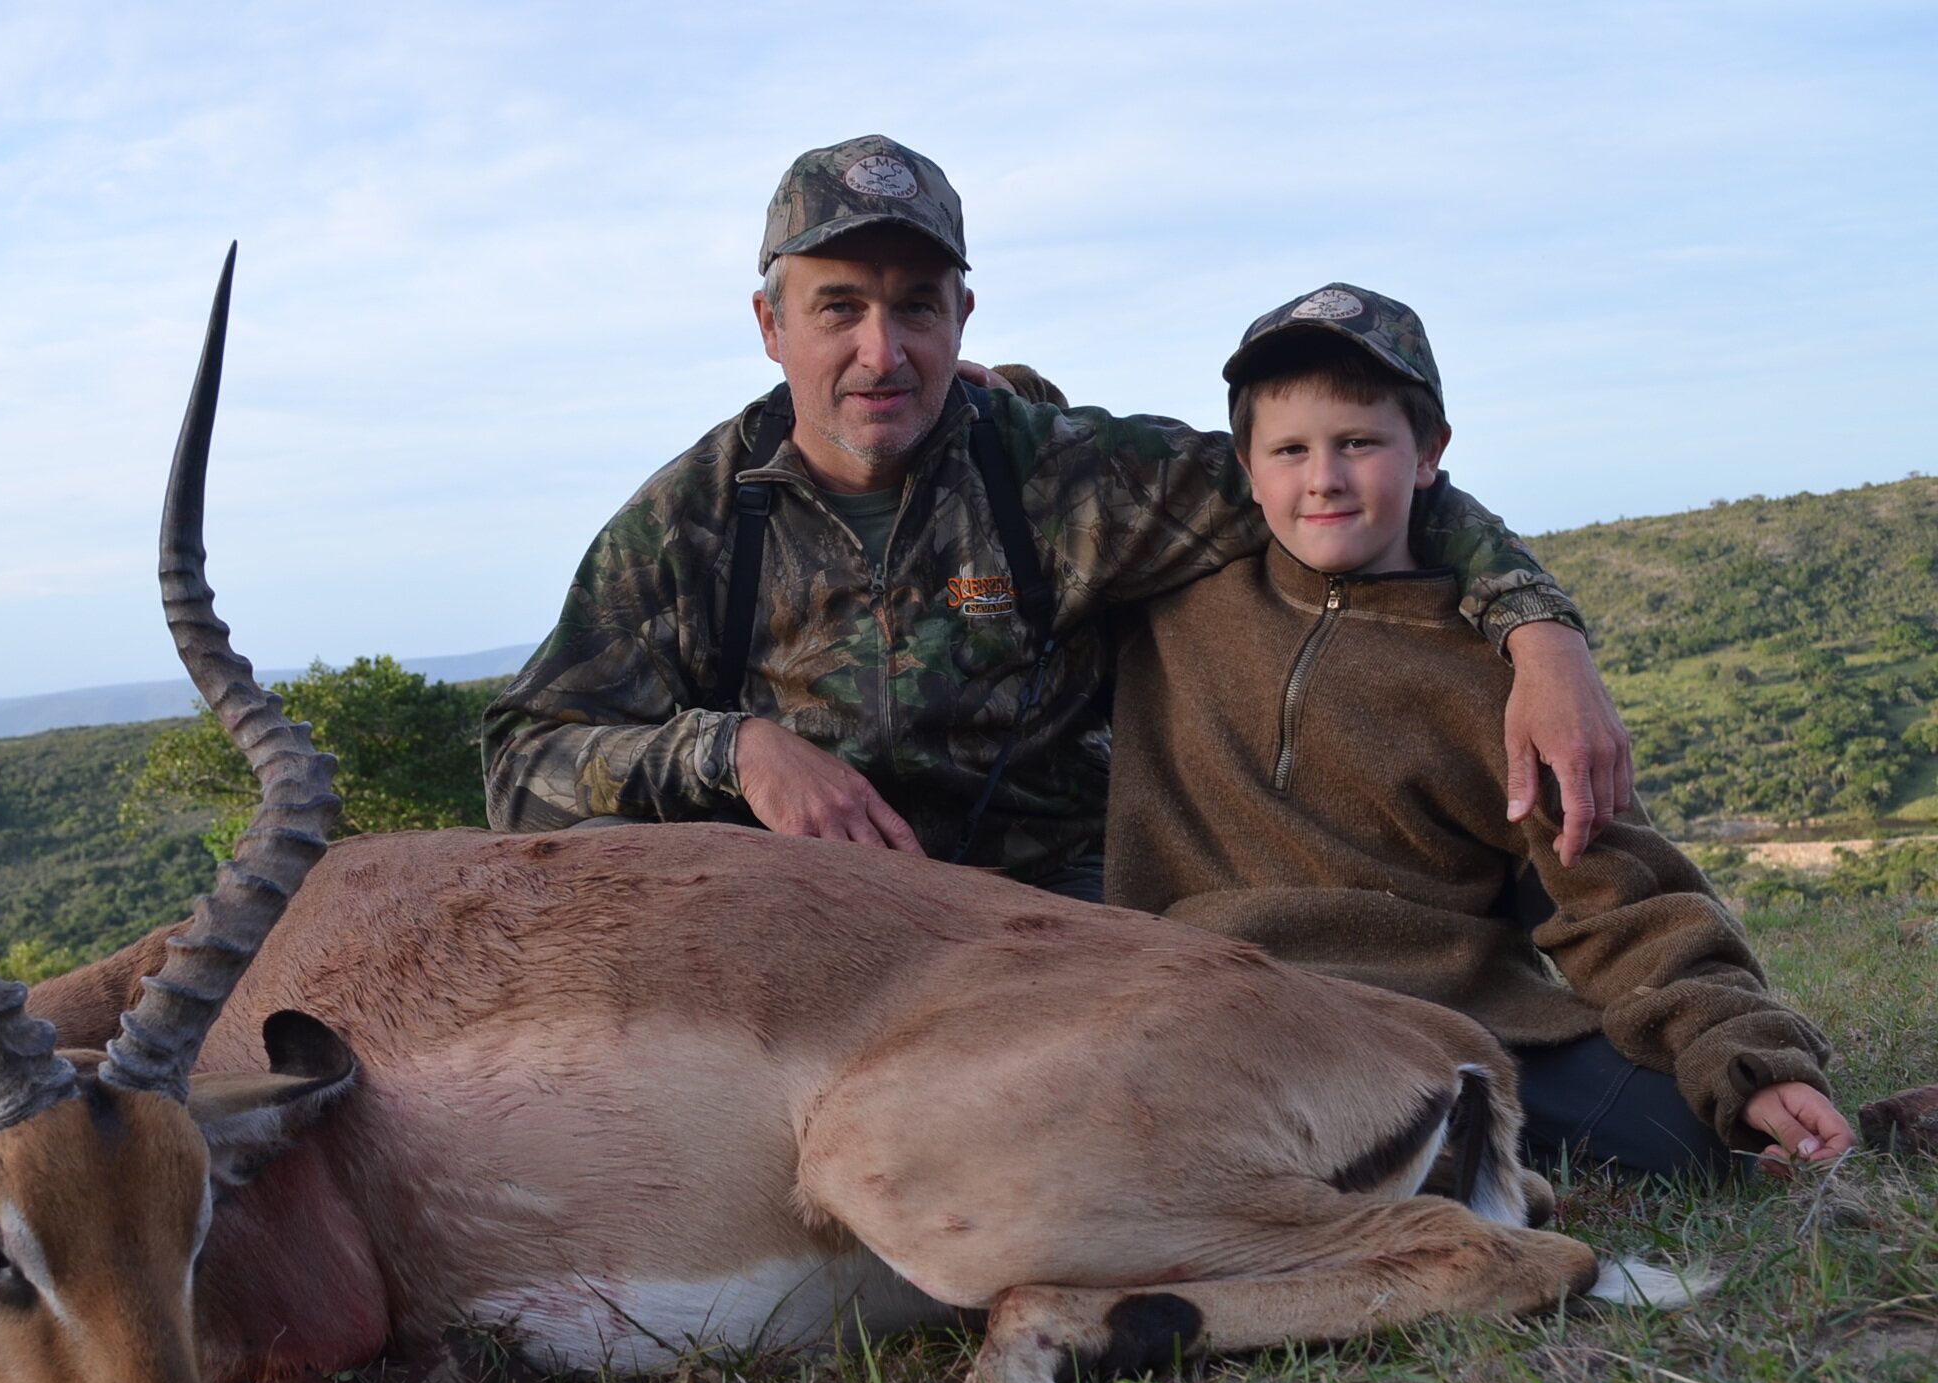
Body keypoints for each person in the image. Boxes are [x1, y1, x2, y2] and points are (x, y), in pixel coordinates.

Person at [483, 136, 1632, 900]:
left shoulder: (1064, 475)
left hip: (1063, 927)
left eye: (915, 308)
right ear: (769, 322)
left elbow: (1333, 480)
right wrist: (735, 750)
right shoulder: (691, 524)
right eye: (837, 308)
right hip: (808, 944)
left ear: (962, 311)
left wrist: (1542, 638)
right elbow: (522, 764)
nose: (882, 352)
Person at [1098, 282, 1853, 1178]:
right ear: (1246, 467)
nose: (1324, 478)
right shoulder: (1170, 602)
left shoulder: (1507, 681)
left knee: (1703, 1138)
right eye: (1290, 450)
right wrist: (1001, 391)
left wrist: (1746, 1059)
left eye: (1360, 443)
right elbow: (1013, 464)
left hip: (1450, 1015)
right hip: (1219, 998)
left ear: (1429, 454)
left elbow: (1618, 897)